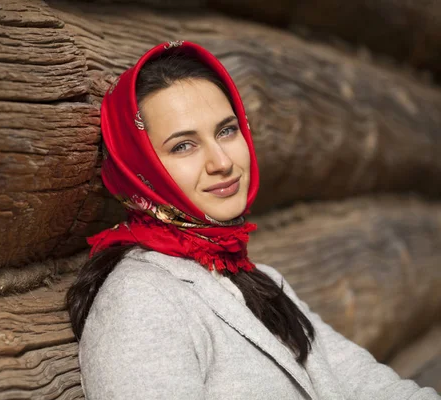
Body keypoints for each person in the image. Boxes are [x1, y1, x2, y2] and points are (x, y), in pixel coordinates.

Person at [66, 40, 440, 399]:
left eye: (226, 131)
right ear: (140, 168)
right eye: (184, 145)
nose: (222, 162)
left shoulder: (255, 278)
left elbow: (364, 382)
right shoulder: (140, 298)